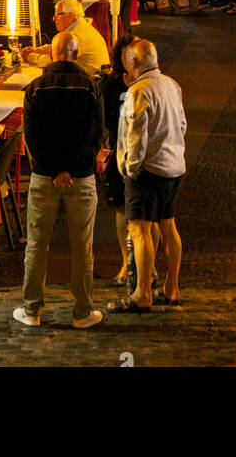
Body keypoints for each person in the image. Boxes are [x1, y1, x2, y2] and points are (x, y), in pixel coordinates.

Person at [15, 29, 104, 329]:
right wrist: (70, 169)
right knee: (83, 246)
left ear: (52, 54)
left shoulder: (35, 89)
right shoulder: (91, 88)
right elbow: (94, 136)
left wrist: (53, 170)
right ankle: (82, 312)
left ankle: (31, 309)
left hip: (43, 177)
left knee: (37, 244)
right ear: (75, 54)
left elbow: (32, 138)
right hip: (80, 178)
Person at [109, 39, 186, 313]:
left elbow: (136, 134)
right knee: (168, 227)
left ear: (134, 63)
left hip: (148, 172)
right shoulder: (171, 85)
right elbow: (182, 124)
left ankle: (142, 294)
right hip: (174, 167)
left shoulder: (138, 91)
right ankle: (172, 288)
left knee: (139, 230)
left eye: (128, 60)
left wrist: (131, 167)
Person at [97, 31, 138, 286]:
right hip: (119, 151)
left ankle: (146, 265)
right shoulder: (110, 85)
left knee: (145, 215)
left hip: (144, 156)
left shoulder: (150, 83)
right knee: (122, 210)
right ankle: (126, 262)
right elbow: (106, 120)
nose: (131, 61)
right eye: (126, 56)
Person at [22, 0, 109, 77]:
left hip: (88, 85)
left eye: (58, 15)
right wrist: (37, 50)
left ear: (71, 15)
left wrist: (30, 57)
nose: (53, 18)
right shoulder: (81, 28)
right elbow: (59, 48)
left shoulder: (77, 36)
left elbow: (56, 61)